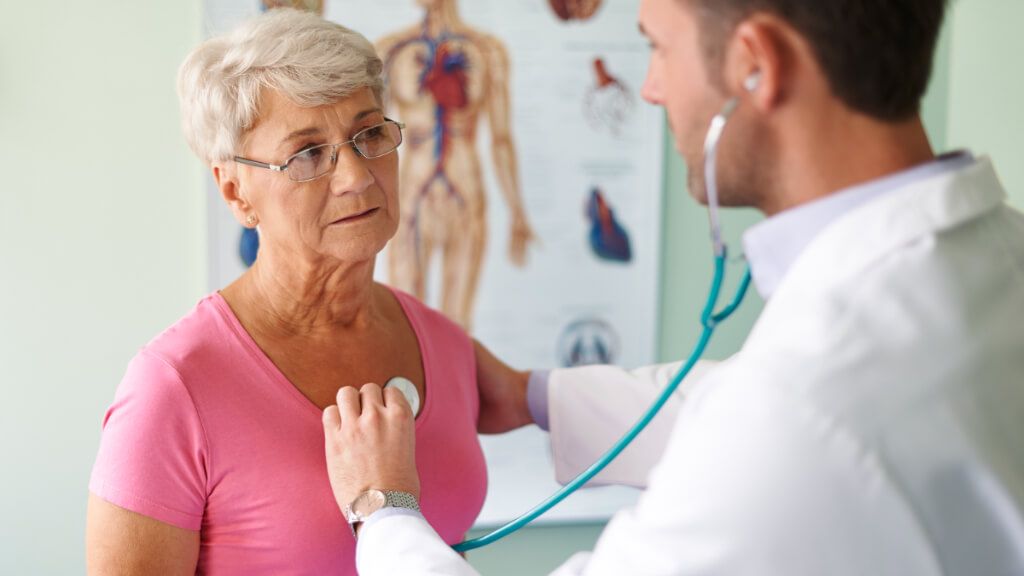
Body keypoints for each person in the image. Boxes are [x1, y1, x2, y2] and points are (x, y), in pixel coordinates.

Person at [321, 0, 1024, 574]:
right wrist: (534, 396)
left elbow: (785, 418)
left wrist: (383, 513)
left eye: (657, 47)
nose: (651, 87)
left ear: (756, 64)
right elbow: (749, 398)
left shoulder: (802, 410)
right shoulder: (992, 253)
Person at [86, 9, 488, 575]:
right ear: (235, 190)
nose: (356, 175)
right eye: (307, 154)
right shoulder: (172, 388)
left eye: (370, 133)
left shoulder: (440, 340)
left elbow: (557, 401)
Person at [377, 0, 537, 330]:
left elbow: (501, 138)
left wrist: (518, 212)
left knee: (458, 324)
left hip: (466, 194)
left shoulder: (488, 51)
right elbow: (372, 139)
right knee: (405, 322)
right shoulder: (390, 51)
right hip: (411, 200)